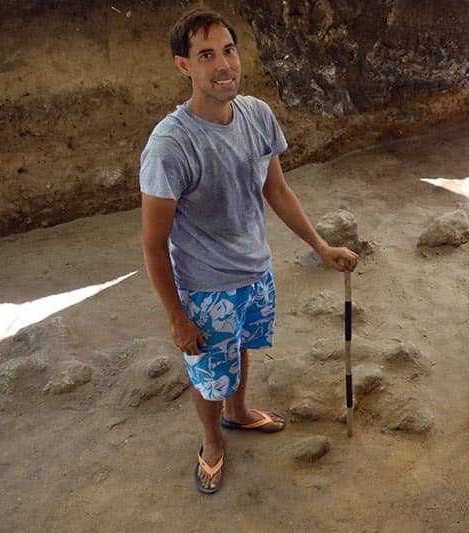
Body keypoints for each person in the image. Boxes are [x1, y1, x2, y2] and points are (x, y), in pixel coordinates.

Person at [139, 8, 358, 494]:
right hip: (205, 287)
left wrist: (320, 247)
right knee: (207, 374)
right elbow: (154, 244)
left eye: (229, 50)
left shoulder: (257, 115)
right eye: (207, 55)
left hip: (255, 271)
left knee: (238, 349)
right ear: (184, 66)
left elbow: (275, 189)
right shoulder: (170, 146)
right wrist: (177, 316)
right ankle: (212, 441)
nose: (224, 65)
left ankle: (237, 414)